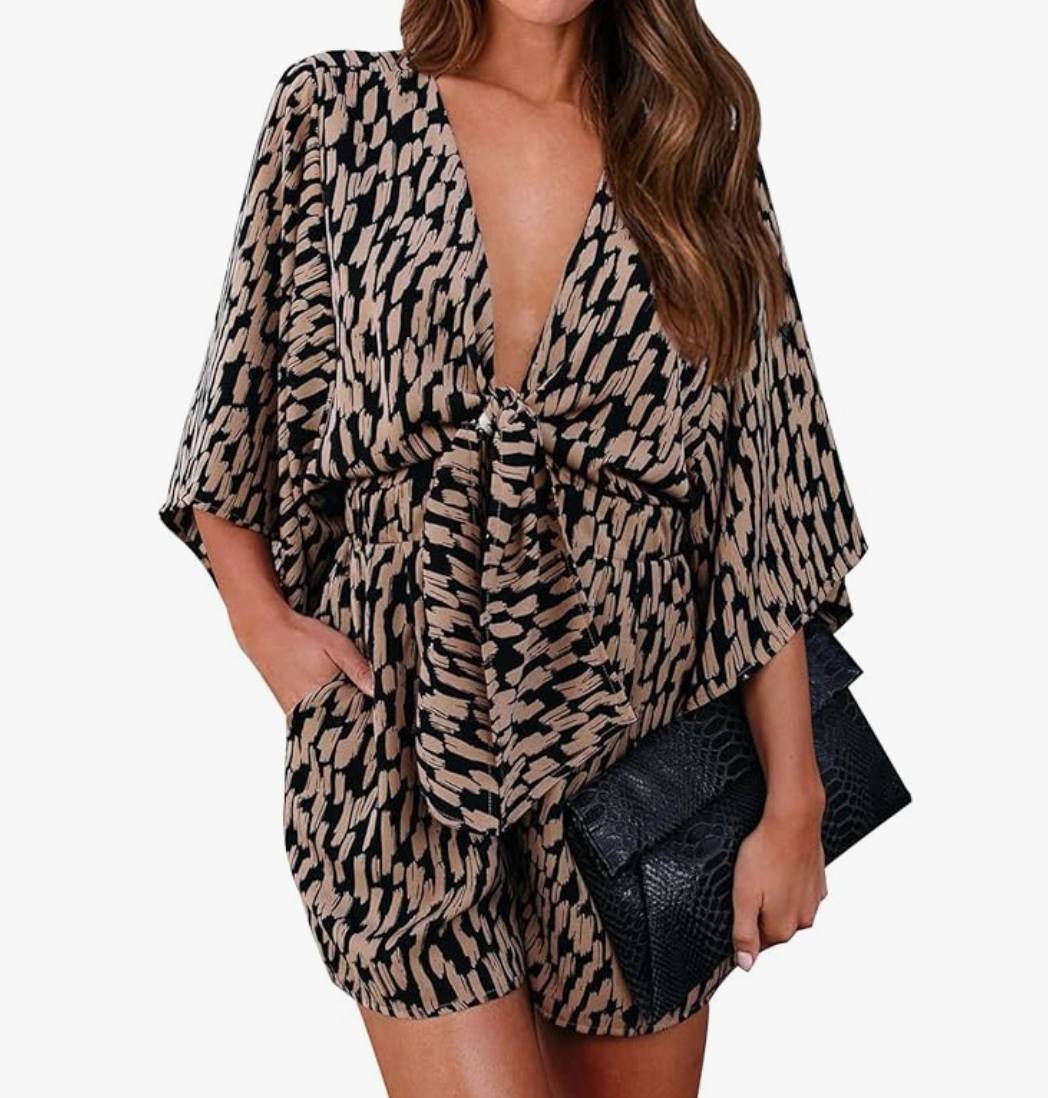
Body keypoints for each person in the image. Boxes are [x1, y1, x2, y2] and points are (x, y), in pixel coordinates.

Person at [159, 2, 867, 1095]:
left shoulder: (691, 152)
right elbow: (240, 405)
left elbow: (761, 502)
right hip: (399, 736)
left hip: (641, 755)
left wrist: (795, 801)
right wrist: (271, 638)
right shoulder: (338, 112)